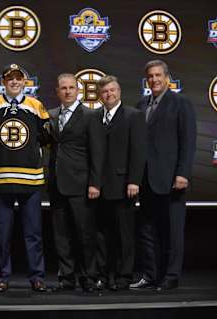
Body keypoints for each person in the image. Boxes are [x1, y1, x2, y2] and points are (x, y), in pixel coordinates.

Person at [0, 64, 49, 292]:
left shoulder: (36, 106)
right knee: (2, 233)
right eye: (10, 78)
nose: (14, 82)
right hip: (1, 179)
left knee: (33, 233)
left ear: (24, 82)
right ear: (3, 80)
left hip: (30, 179)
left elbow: (46, 138)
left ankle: (37, 276)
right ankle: (3, 276)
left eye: (18, 78)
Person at [131, 60, 196, 290]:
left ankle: (170, 276)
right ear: (146, 80)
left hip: (171, 180)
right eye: (150, 76)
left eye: (158, 75)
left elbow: (188, 142)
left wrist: (183, 173)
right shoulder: (141, 104)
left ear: (167, 77)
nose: (154, 79)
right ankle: (150, 274)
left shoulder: (181, 103)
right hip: (146, 180)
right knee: (148, 230)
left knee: (172, 231)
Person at [47, 73, 104, 292]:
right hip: (57, 185)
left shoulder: (90, 116)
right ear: (57, 91)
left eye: (71, 87)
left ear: (78, 90)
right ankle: (67, 278)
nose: (68, 91)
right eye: (63, 88)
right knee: (62, 236)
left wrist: (95, 183)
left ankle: (89, 278)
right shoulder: (51, 116)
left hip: (82, 185)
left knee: (85, 234)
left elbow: (97, 153)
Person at [95, 75, 146, 290]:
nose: (110, 94)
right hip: (100, 187)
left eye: (113, 90)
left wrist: (134, 180)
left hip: (124, 184)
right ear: (100, 95)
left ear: (119, 92)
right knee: (103, 234)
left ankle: (124, 275)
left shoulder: (133, 116)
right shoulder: (95, 116)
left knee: (124, 234)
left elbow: (138, 151)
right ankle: (105, 275)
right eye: (105, 91)